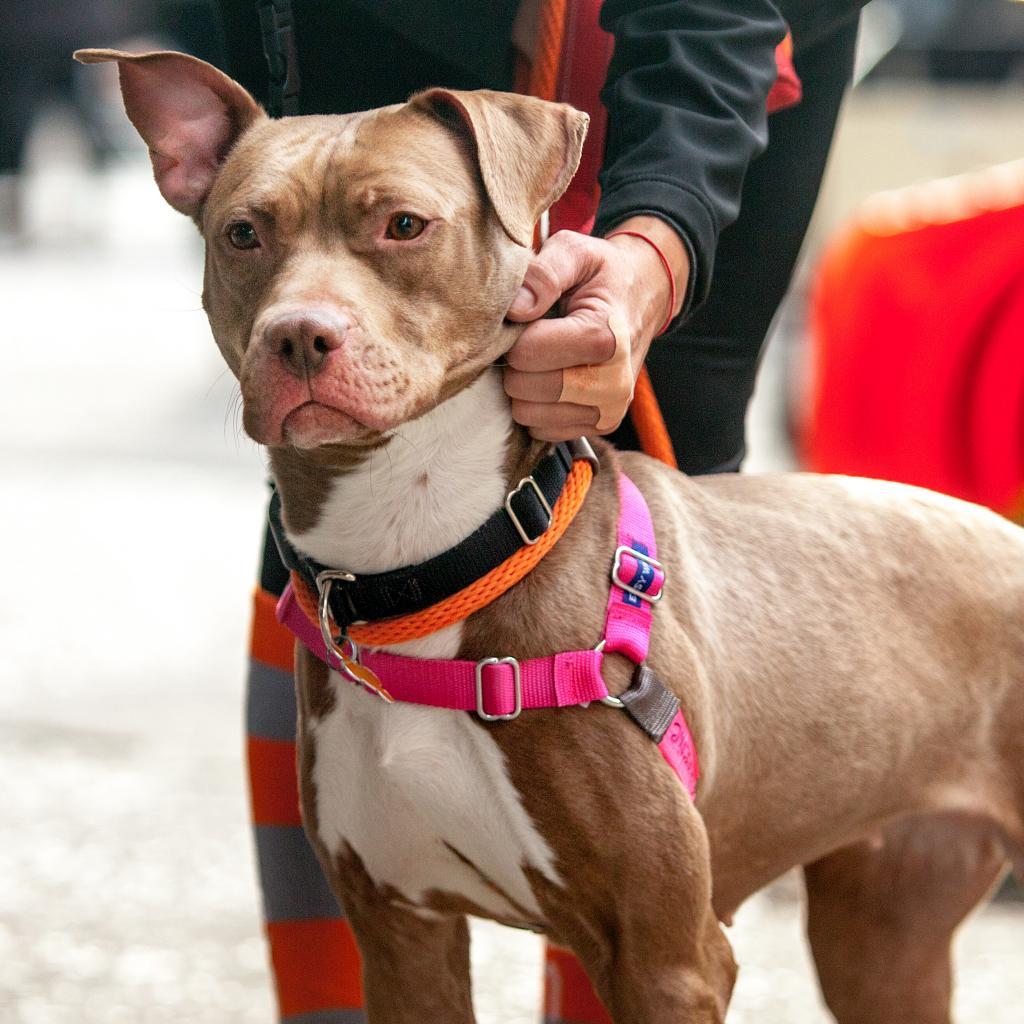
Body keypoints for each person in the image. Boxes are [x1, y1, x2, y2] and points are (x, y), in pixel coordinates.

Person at [219, 1, 867, 1020]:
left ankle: (625, 920)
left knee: (661, 464)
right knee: (341, 493)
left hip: (713, 37)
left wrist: (654, 257)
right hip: (388, 26)